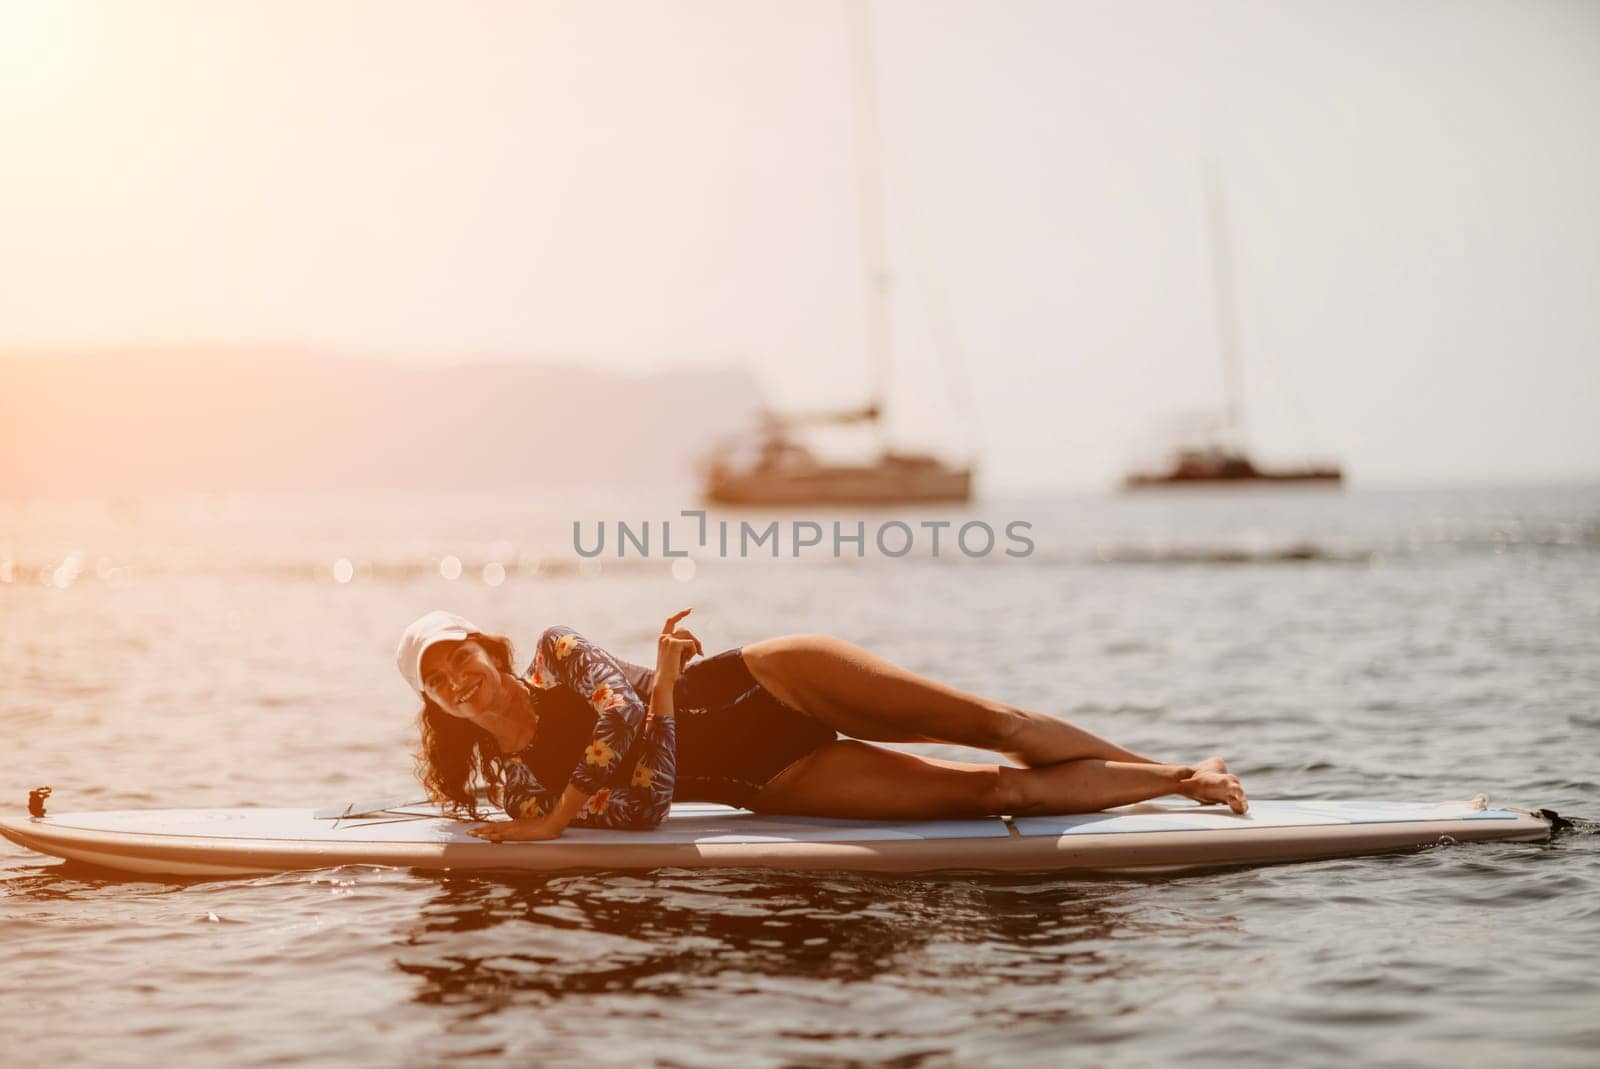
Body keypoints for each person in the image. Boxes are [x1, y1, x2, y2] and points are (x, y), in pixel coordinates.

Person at [395, 607, 1248, 843]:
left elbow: (622, 713)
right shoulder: (517, 785)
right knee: (990, 793)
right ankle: (1177, 781)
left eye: (456, 656)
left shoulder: (556, 647)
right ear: (436, 708)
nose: (456, 679)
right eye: (436, 683)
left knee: (993, 722)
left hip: (772, 681)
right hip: (767, 784)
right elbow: (649, 804)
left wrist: (556, 818)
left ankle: (1181, 773)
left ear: (484, 645)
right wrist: (552, 810)